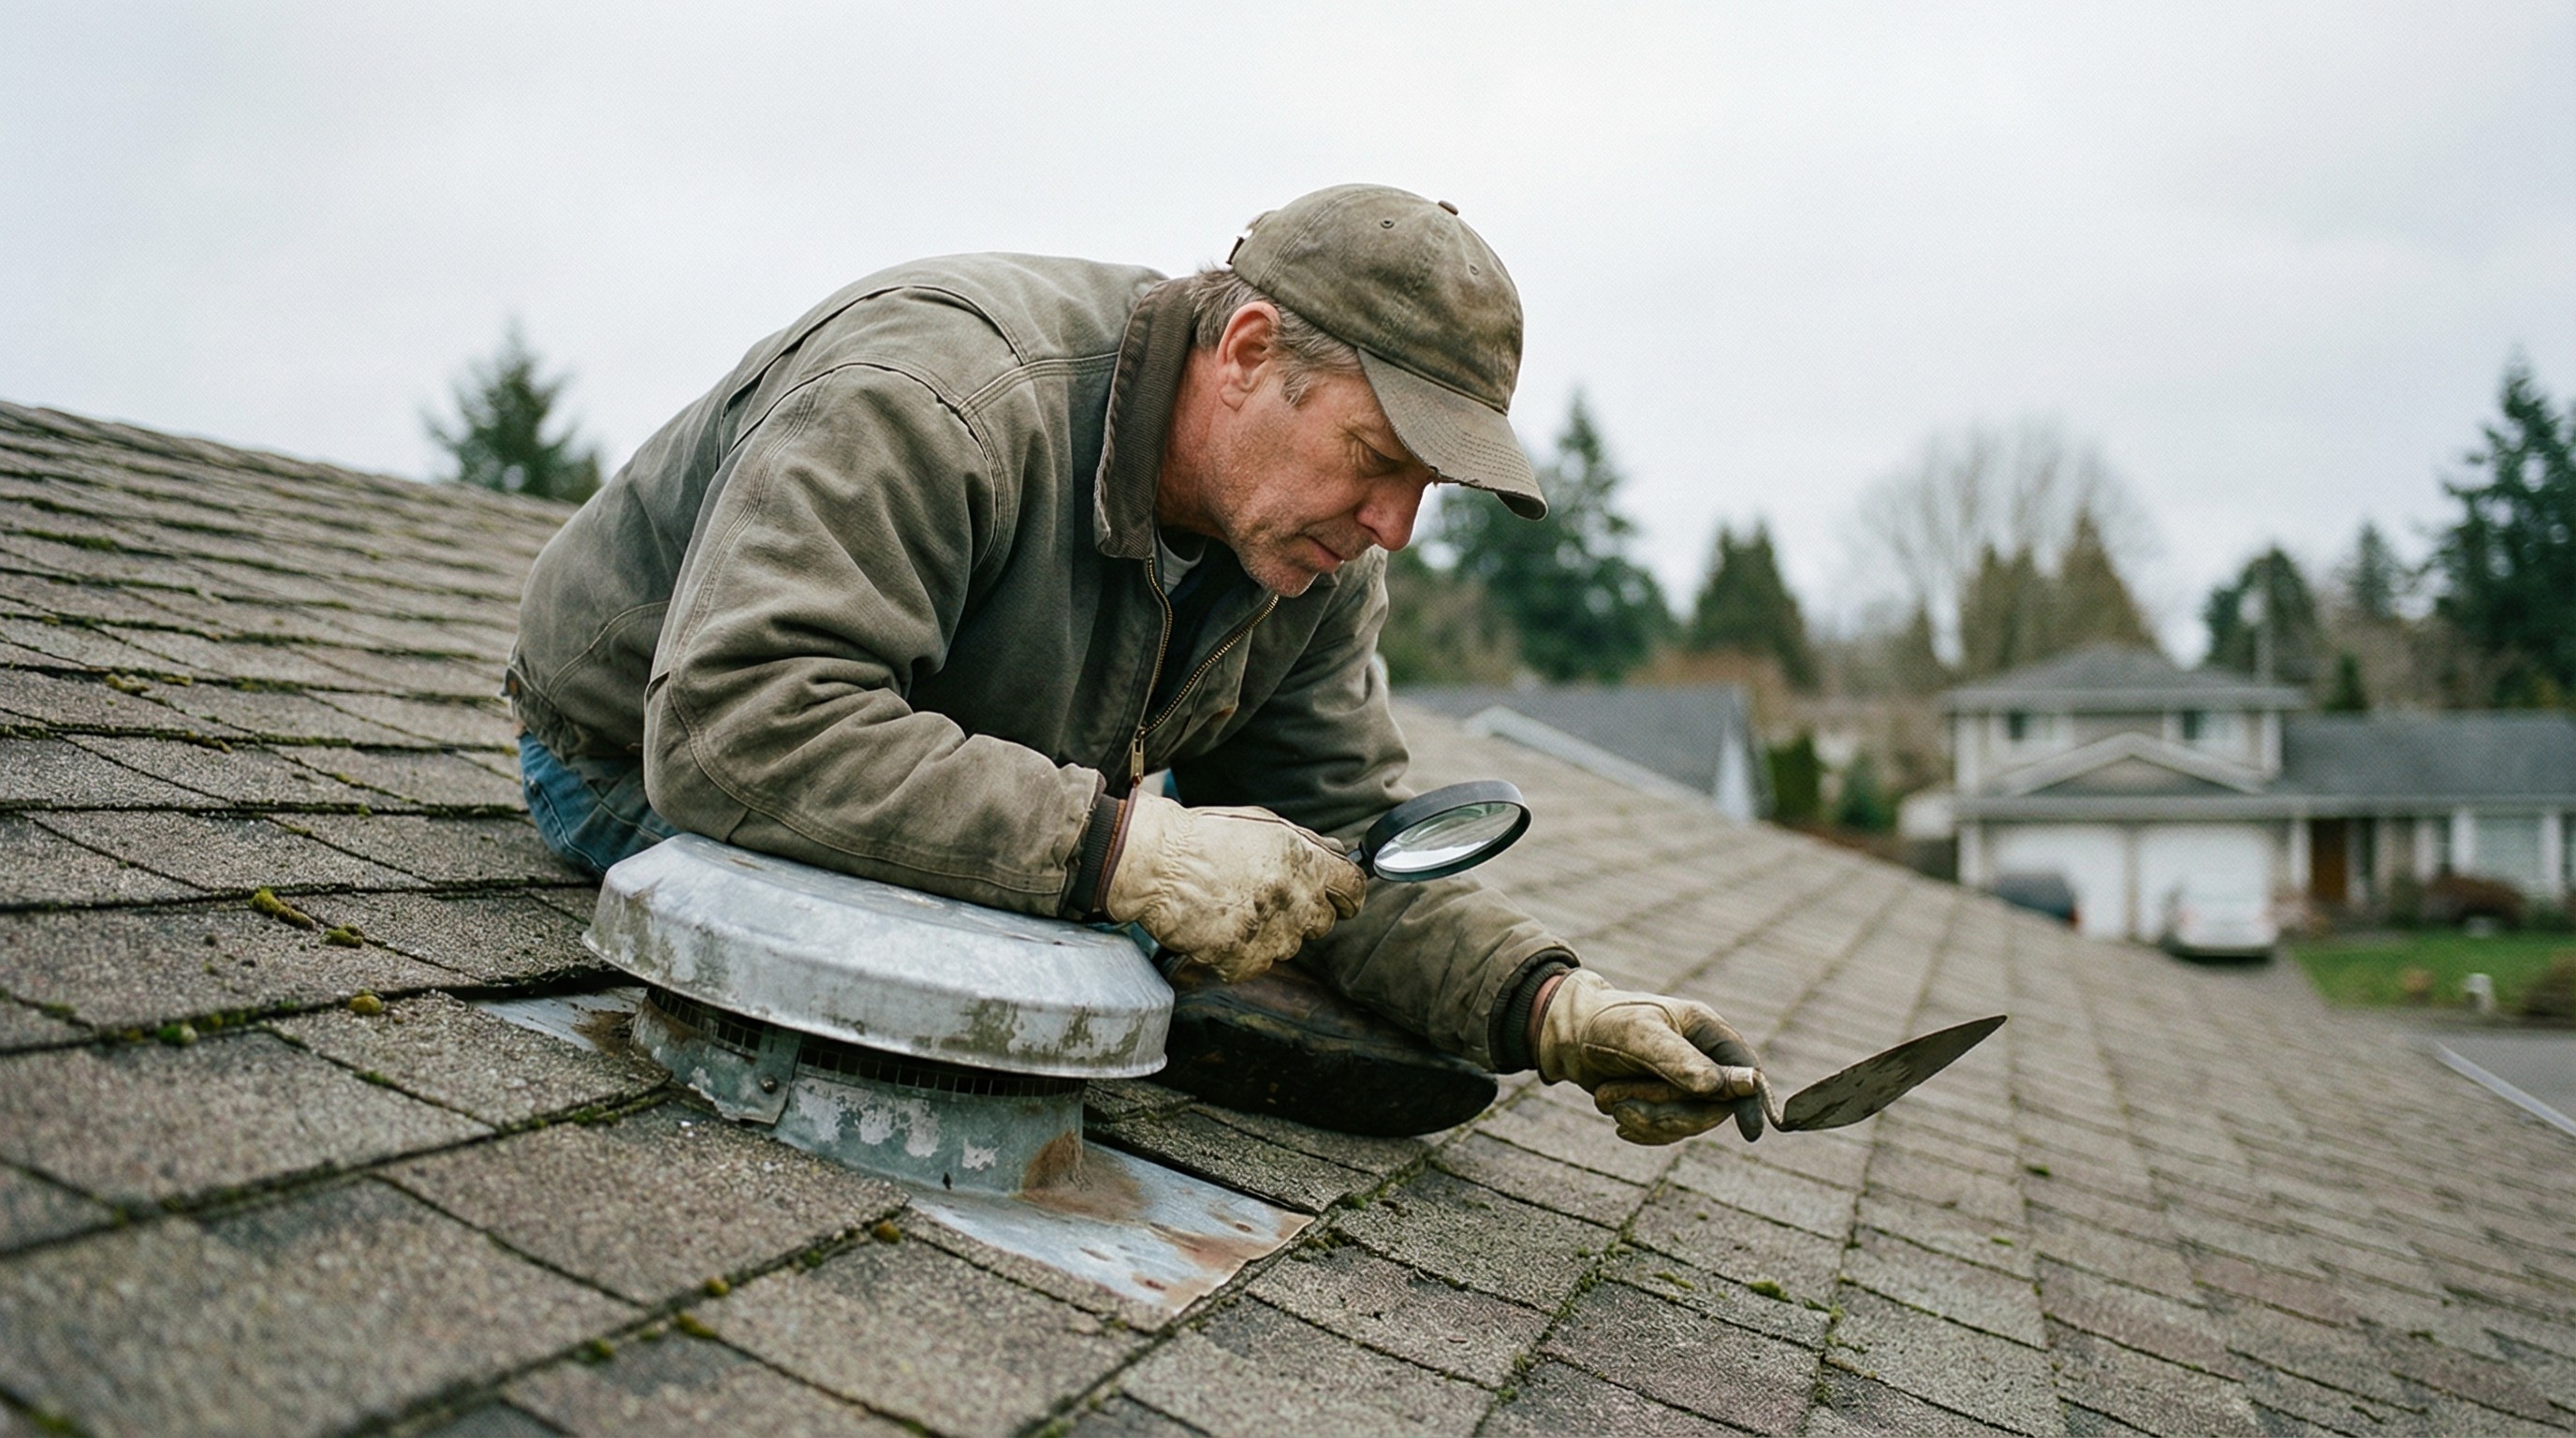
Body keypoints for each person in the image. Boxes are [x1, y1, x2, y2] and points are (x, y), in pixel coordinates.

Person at [506, 183, 1768, 1145]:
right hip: (636, 769)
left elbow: (1342, 835)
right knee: (1036, 995)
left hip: (950, 778)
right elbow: (738, 728)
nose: (1394, 525)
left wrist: (1548, 1006)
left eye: (1426, 487)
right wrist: (1127, 854)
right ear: (1249, 353)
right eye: (1378, 457)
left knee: (1168, 934)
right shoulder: (936, 396)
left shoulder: (1313, 554)